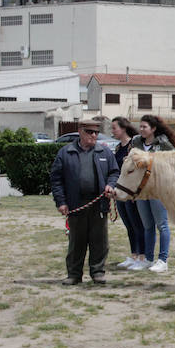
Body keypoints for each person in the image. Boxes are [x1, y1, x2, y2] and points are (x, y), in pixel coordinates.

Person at [49, 118, 119, 285]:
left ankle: (98, 272)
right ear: (80, 131)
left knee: (99, 241)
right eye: (89, 131)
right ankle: (74, 275)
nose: (94, 135)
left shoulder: (105, 152)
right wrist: (61, 202)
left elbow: (114, 172)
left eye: (96, 132)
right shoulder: (66, 153)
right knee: (76, 241)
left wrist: (110, 185)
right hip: (76, 204)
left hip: (99, 203)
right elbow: (56, 180)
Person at [131, 115, 175, 273]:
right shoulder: (136, 142)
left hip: (158, 189)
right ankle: (148, 259)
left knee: (162, 224)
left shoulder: (163, 143)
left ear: (153, 129)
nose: (141, 129)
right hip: (141, 190)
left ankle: (163, 260)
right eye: (141, 126)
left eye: (145, 126)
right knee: (147, 226)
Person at [110, 116, 147, 270]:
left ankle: (143, 256)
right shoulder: (118, 148)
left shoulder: (134, 146)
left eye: (114, 128)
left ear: (123, 128)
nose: (112, 131)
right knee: (129, 225)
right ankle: (134, 255)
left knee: (137, 224)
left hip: (132, 193)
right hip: (120, 191)